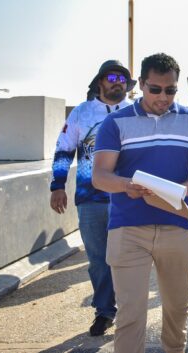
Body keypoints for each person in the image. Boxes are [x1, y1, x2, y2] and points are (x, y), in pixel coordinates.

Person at [92, 52, 188, 353]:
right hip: (128, 227)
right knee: (131, 316)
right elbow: (99, 176)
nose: (163, 96)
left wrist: (179, 190)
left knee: (177, 310)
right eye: (155, 89)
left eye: (171, 90)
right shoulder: (115, 122)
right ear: (142, 85)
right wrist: (126, 186)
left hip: (177, 225)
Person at [50, 59, 135, 336]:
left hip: (128, 197)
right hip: (90, 198)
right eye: (113, 76)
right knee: (99, 260)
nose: (118, 82)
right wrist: (57, 184)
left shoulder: (135, 113)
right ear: (100, 81)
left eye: (123, 79)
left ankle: (130, 310)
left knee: (128, 257)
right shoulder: (81, 114)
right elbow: (64, 149)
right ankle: (104, 311)